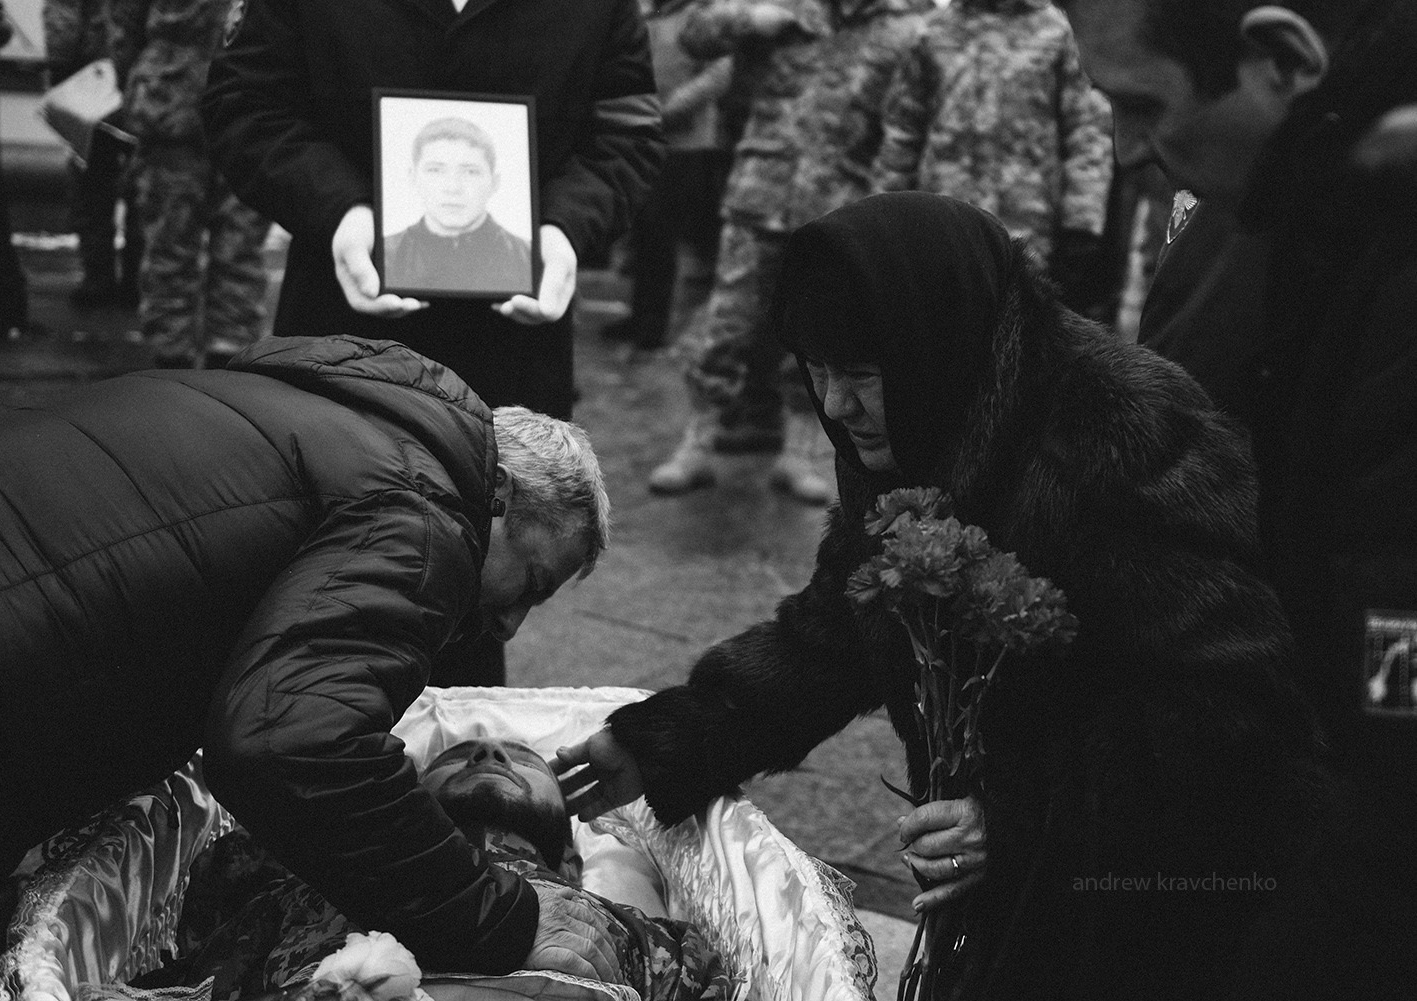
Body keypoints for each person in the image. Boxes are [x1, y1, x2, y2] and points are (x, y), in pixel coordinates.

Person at [555, 193, 1413, 999]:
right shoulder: (910, 423)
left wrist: (1023, 817)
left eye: (858, 370)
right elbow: (842, 627)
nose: (837, 403)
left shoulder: (1120, 435)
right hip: (1009, 885)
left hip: (1154, 894)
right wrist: (675, 738)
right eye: (813, 371)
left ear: (933, 341)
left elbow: (1244, 702)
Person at [0, 337, 617, 1001]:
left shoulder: (310, 406)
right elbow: (295, 741)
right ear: (498, 500)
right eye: (529, 584)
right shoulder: (425, 517)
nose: (510, 624)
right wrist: (495, 919)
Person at [1055, 0, 1417, 894]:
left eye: (1143, 105)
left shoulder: (1385, 235)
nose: (1124, 150)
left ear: (1284, 61)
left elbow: (1397, 606)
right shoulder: (1304, 191)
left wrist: (1377, 796)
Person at [200, 0, 662, 422]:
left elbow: (627, 131)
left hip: (517, 361)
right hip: (336, 346)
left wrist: (566, 226)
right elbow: (246, 104)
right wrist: (340, 209)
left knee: (503, 508)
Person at [135, 737, 732, 1000]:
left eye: (522, 758)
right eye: (454, 758)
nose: (489, 752)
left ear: (572, 862)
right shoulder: (310, 884)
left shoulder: (639, 939)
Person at [646, 0, 929, 503]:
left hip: (842, 206)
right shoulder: (784, 8)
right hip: (761, 192)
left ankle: (800, 453)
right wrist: (748, 18)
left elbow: (908, 123)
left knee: (824, 333)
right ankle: (698, 444)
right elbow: (694, 35)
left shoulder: (904, 27)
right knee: (727, 325)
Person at [871, 0, 1114, 317]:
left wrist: (1081, 223)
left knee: (1020, 349)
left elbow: (1085, 128)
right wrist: (880, 221)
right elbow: (903, 133)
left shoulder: (1055, 31)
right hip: (942, 233)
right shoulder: (933, 32)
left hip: (1029, 238)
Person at [110, 0, 272, 367]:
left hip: (176, 96)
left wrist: (142, 78)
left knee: (177, 242)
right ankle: (220, 352)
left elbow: (123, 30)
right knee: (228, 242)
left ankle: (183, 354)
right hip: (240, 101)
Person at [598, 0, 735, 351]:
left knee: (661, 235)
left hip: (684, 146)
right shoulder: (646, 14)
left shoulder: (701, 15)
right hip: (641, 141)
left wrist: (670, 109)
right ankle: (638, 316)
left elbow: (720, 73)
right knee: (641, 233)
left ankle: (653, 328)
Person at [42, 0, 144, 309]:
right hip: (143, 77)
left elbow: (64, 24)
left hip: (91, 79)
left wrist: (59, 73)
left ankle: (98, 277)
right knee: (143, 180)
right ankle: (136, 277)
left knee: (91, 180)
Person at [382, 117, 534, 297]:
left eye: (470, 172)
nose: (453, 188)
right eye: (435, 170)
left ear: (494, 183)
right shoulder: (384, 257)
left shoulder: (530, 258)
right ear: (412, 178)